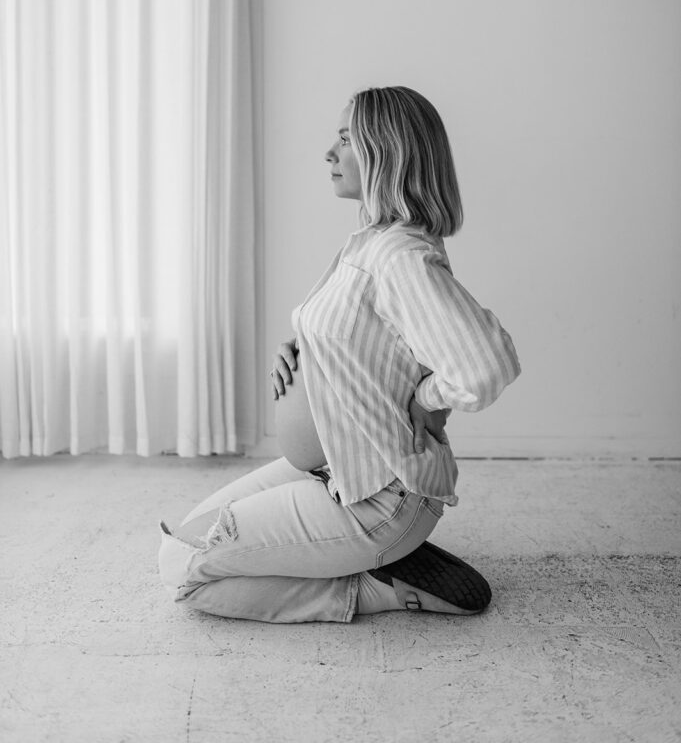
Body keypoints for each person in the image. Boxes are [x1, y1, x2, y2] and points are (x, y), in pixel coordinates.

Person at [158, 86, 520, 623]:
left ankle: (376, 585)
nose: (330, 153)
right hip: (332, 468)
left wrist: (429, 397)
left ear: (386, 152)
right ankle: (356, 559)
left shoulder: (400, 256)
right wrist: (303, 351)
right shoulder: (370, 241)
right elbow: (369, 342)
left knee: (181, 568)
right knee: (185, 538)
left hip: (377, 500)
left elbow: (487, 365)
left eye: (347, 139)